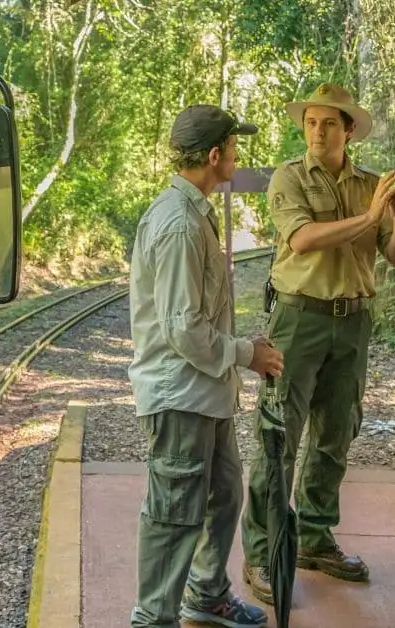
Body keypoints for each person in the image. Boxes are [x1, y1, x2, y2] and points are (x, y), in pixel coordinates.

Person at [240, 83, 395, 603]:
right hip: (299, 319)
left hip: (352, 320)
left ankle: (315, 538)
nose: (318, 132)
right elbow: (301, 239)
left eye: (329, 124)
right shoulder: (289, 177)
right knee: (279, 436)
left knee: (336, 432)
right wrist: (370, 217)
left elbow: (394, 256)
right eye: (310, 123)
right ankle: (262, 552)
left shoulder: (371, 186)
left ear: (349, 131)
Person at [128, 104, 285, 628]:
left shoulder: (197, 213)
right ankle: (153, 618)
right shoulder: (179, 225)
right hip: (180, 396)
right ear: (215, 155)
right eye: (234, 148)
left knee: (223, 493)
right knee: (174, 514)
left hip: (205, 392)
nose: (238, 157)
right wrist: (247, 354)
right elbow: (183, 329)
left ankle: (206, 593)